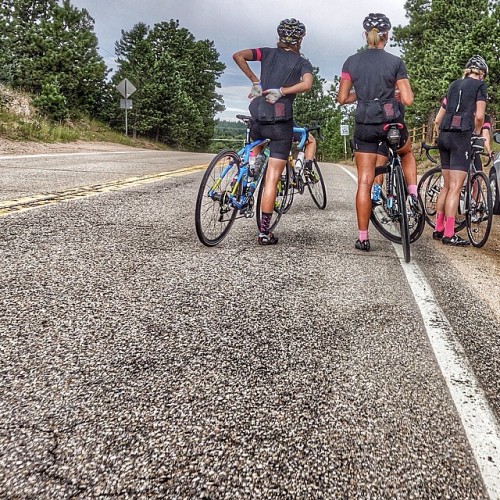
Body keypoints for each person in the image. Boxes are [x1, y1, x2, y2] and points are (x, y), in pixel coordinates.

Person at [337, 13, 417, 252]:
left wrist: (361, 96)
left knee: (364, 180)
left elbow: (342, 98)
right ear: (387, 35)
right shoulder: (395, 62)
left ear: (365, 35)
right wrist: (393, 94)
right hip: (391, 123)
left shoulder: (351, 61)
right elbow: (409, 100)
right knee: (406, 152)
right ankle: (413, 194)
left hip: (364, 125)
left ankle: (363, 238)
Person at [233, 18, 313, 245]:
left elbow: (238, 55)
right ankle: (264, 232)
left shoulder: (266, 53)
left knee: (256, 146)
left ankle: (249, 169)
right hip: (281, 122)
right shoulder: (302, 63)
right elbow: (307, 84)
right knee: (272, 178)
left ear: (279, 36)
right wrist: (283, 90)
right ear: (301, 39)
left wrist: (256, 81)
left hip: (259, 115)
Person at [432, 55, 488, 246]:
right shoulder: (480, 87)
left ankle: (438, 228)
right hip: (460, 135)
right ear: (482, 74)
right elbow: (479, 116)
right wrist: (477, 133)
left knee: (446, 187)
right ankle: (449, 233)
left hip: (445, 135)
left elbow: (437, 119)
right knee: (456, 188)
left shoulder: (453, 85)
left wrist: (440, 135)